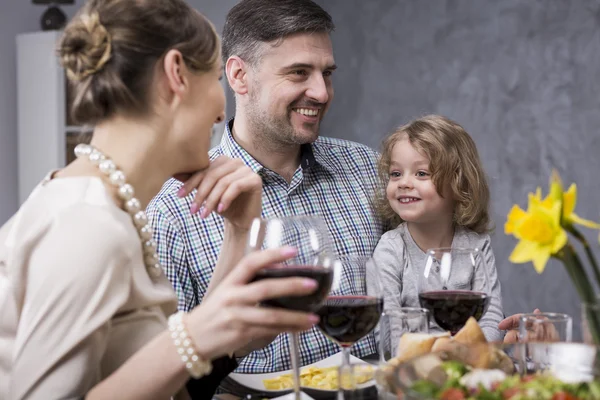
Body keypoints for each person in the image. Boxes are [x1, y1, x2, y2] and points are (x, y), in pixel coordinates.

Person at [0, 0, 323, 399]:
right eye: (214, 82)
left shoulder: (101, 205)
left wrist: (239, 232)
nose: (222, 114)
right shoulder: (87, 224)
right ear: (177, 75)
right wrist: (190, 336)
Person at [147, 0, 385, 373]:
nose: (321, 93)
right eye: (299, 73)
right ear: (239, 76)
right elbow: (167, 376)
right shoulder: (172, 213)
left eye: (327, 73)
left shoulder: (368, 170)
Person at [370, 115, 505, 342]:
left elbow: (491, 317)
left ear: (458, 183)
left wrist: (477, 356)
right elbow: (387, 330)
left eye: (421, 173)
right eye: (396, 173)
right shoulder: (391, 248)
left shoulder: (476, 245)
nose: (403, 183)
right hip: (412, 368)